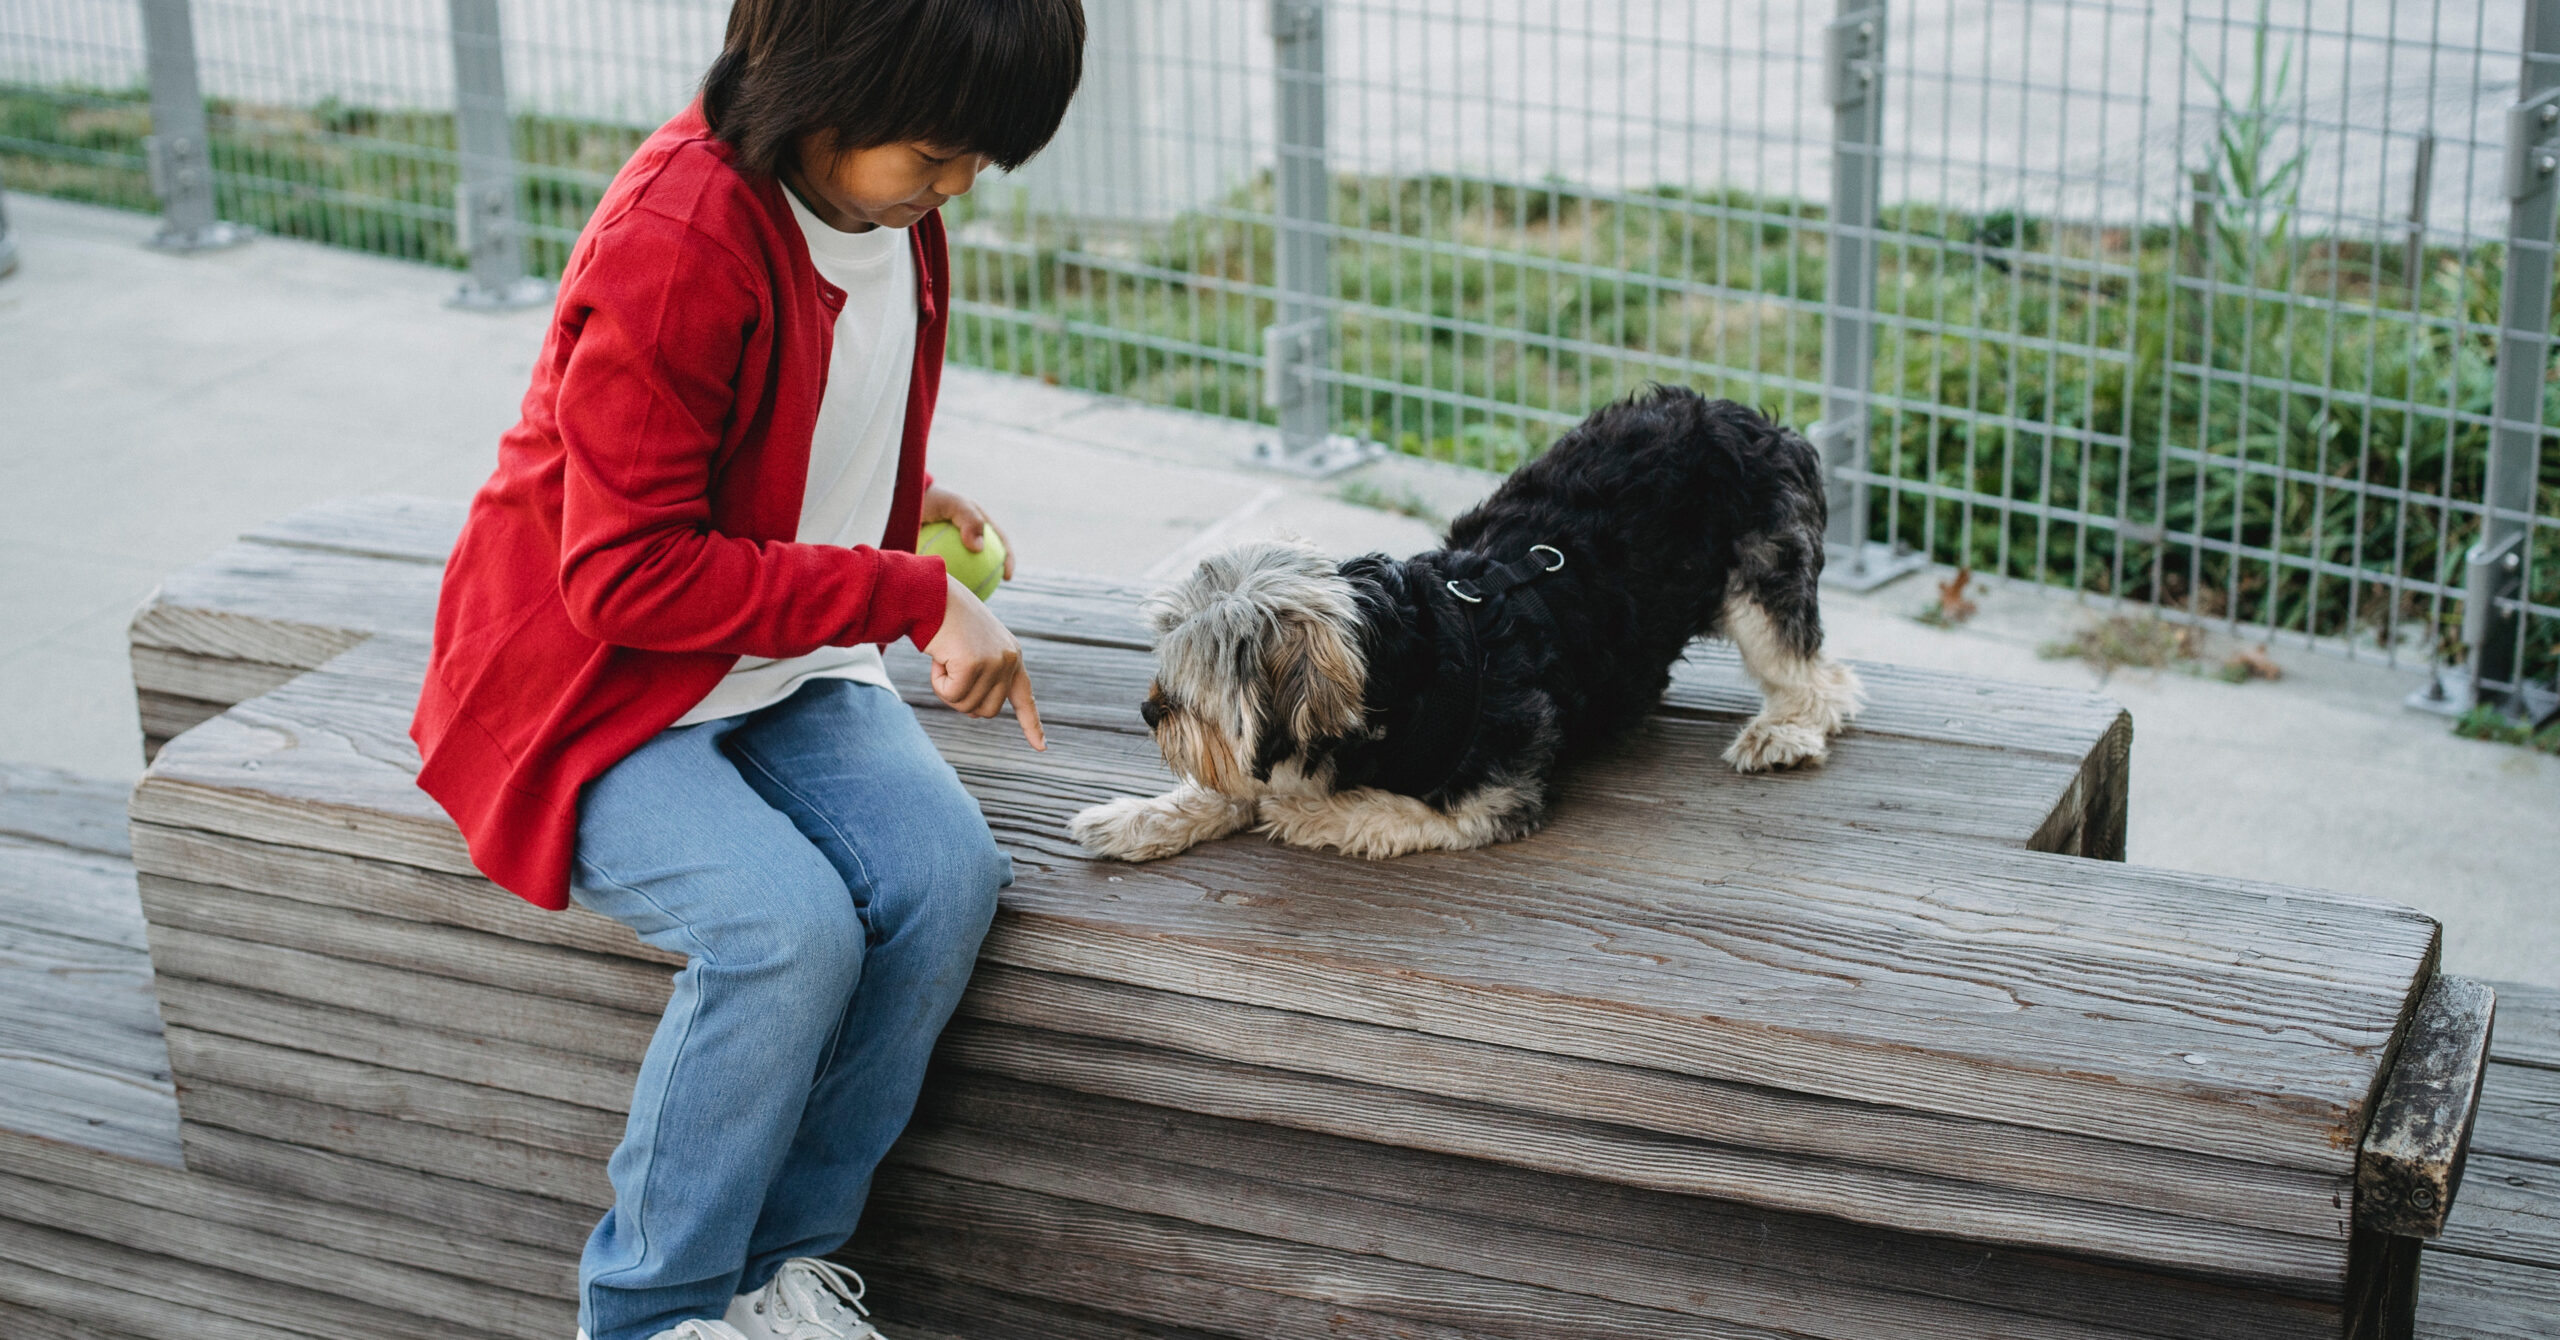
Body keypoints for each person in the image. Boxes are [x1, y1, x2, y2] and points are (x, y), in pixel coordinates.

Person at [406, 2, 1084, 1338]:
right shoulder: (679, 238)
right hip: (600, 688)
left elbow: (791, 409)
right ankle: (652, 1313)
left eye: (972, 168)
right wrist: (910, 588)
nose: (953, 191)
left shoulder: (892, 217)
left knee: (950, 879)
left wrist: (901, 500)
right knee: (784, 929)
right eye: (938, 156)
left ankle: (778, 1273)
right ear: (831, 83)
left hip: (776, 663)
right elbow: (626, 573)